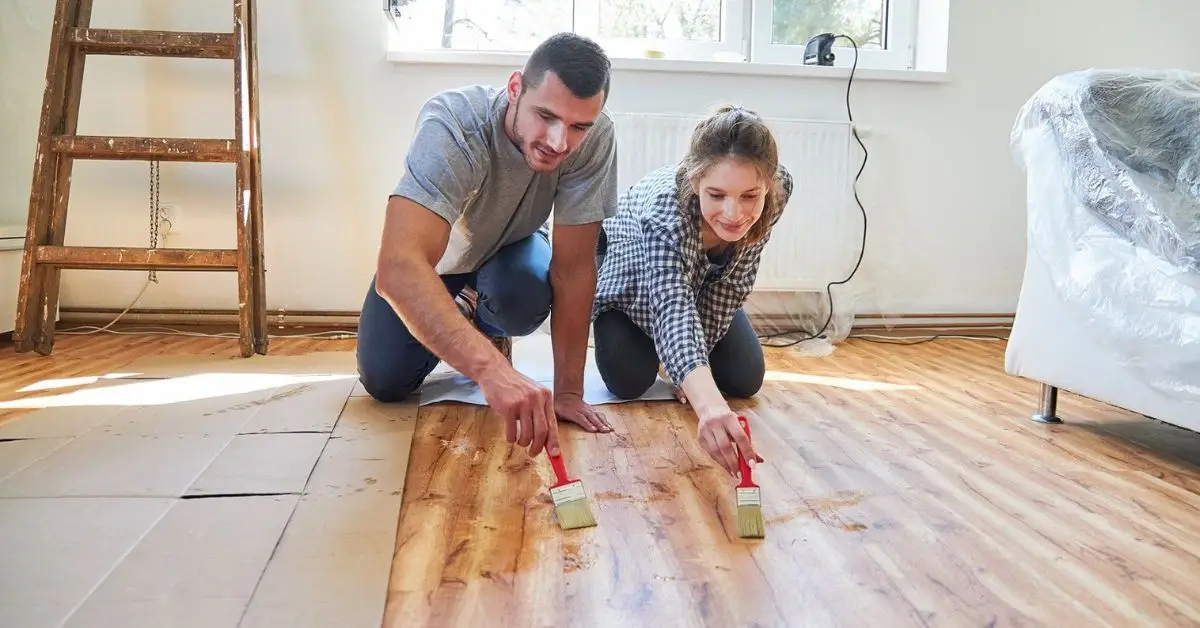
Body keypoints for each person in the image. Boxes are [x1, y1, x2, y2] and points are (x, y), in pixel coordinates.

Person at [358, 33, 618, 461]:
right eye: (545, 116)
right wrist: (491, 370)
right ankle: (465, 313)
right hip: (439, 265)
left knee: (521, 296)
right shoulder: (454, 124)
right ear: (515, 88)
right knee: (385, 381)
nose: (559, 142)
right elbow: (399, 267)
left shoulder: (597, 138)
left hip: (513, 252)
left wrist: (569, 392)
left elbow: (573, 268)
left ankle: (477, 314)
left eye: (578, 127)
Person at [591, 105, 794, 478]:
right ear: (694, 180)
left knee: (744, 379)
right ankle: (628, 331)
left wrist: (690, 372)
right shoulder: (664, 212)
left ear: (768, 185)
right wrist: (708, 404)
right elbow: (672, 307)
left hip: (701, 284)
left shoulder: (779, 191)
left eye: (750, 196)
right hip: (631, 275)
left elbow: (735, 280)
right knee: (629, 381)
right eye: (716, 194)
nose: (733, 213)